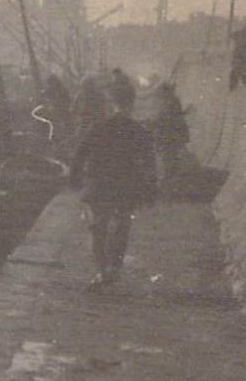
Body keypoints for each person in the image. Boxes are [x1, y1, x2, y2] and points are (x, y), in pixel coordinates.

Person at [70, 86, 158, 288]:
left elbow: (79, 154)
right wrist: (151, 188)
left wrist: (74, 179)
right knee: (121, 226)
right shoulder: (138, 130)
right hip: (126, 187)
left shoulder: (97, 126)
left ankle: (101, 271)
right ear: (132, 105)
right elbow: (149, 163)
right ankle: (114, 269)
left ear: (111, 104)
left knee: (98, 228)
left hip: (98, 185)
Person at [149, 82, 190, 183]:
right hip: (174, 135)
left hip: (168, 136)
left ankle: (168, 179)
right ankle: (172, 177)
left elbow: (161, 119)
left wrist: (151, 122)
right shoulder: (174, 100)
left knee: (167, 158)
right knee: (172, 157)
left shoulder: (167, 103)